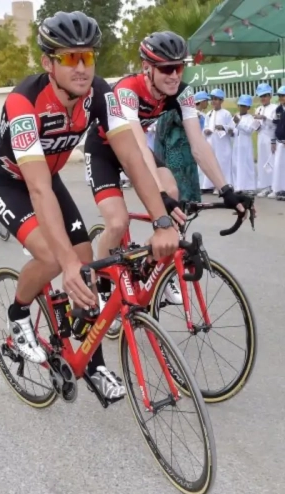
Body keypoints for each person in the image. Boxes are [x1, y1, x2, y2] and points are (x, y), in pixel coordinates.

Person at [0, 11, 180, 400]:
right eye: (70, 58)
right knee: (56, 259)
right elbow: (37, 190)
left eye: (88, 56)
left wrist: (161, 222)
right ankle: (19, 314)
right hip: (7, 179)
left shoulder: (101, 94)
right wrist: (65, 263)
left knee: (87, 270)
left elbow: (134, 160)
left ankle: (92, 361)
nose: (82, 67)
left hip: (46, 178)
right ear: (48, 63)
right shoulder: (24, 103)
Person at [83, 31, 249, 308]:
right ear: (147, 68)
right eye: (166, 68)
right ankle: (101, 284)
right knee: (117, 222)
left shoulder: (183, 92)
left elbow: (199, 145)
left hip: (135, 150)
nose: (174, 75)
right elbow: (135, 147)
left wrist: (227, 189)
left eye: (179, 67)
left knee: (173, 191)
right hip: (104, 150)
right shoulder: (127, 91)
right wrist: (159, 197)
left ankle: (153, 265)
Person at [201, 88, 234, 193]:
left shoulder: (226, 113)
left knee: (222, 164)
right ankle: (212, 185)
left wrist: (223, 127)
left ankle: (223, 186)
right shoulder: (209, 114)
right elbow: (205, 127)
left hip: (222, 145)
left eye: (216, 99)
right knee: (212, 163)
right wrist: (206, 131)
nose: (214, 101)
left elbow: (231, 129)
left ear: (221, 101)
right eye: (212, 99)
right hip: (211, 143)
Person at [253, 83, 276, 197]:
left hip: (271, 138)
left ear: (270, 96)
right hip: (261, 137)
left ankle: (274, 187)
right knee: (262, 162)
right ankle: (265, 186)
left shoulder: (275, 108)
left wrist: (264, 118)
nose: (263, 98)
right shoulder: (259, 108)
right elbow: (257, 127)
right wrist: (255, 122)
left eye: (265, 96)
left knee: (271, 162)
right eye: (261, 96)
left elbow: (275, 124)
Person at [232, 94, 257, 194]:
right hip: (236, 145)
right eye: (240, 105)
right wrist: (230, 131)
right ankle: (238, 186)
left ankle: (249, 187)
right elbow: (233, 130)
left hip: (245, 145)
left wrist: (239, 123)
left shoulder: (250, 118)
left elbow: (249, 130)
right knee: (236, 165)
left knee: (247, 165)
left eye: (244, 106)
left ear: (248, 107)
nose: (241, 108)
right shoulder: (236, 116)